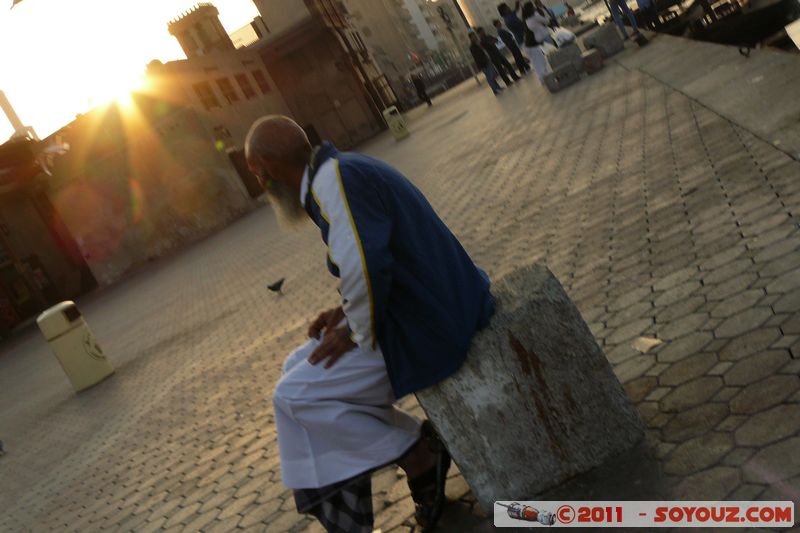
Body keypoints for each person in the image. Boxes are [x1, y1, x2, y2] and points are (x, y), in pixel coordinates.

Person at [245, 116, 495, 532]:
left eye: (256, 173)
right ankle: (415, 449)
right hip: (424, 309)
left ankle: (417, 453)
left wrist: (353, 328)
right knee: (294, 367)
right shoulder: (336, 173)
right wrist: (344, 312)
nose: (260, 183)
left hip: (429, 326)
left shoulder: (334, 181)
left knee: (293, 396)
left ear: (268, 168)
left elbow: (367, 266)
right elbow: (371, 262)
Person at [522, 1, 554, 83]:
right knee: (546, 58)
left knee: (539, 61)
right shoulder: (535, 16)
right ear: (531, 8)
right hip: (538, 41)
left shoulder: (526, 19)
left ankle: (544, 77)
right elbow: (547, 21)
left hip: (533, 42)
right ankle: (548, 75)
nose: (534, 7)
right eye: (533, 6)